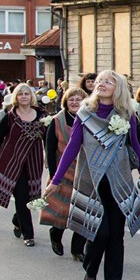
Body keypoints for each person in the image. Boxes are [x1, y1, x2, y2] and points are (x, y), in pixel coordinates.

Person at [44, 70, 140, 280]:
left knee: (115, 236)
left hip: (118, 181)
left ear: (117, 87)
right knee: (99, 233)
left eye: (108, 81)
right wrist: (56, 180)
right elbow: (72, 147)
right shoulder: (85, 113)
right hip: (91, 180)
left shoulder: (126, 114)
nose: (101, 84)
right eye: (100, 80)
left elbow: (136, 146)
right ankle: (90, 272)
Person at [0, 84, 46, 247]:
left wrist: (48, 156)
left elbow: (47, 137)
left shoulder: (41, 114)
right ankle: (29, 235)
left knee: (32, 197)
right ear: (16, 97)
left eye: (27, 94)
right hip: (14, 161)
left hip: (33, 160)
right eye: (21, 94)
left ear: (31, 96)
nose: (24, 97)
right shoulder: (9, 116)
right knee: (21, 196)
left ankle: (17, 219)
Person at [40, 87, 89, 260]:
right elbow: (50, 148)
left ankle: (77, 249)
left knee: (82, 212)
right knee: (61, 211)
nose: (75, 102)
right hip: (63, 172)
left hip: (84, 172)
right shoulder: (56, 121)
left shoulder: (90, 120)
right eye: (71, 99)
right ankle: (56, 235)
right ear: (65, 102)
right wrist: (55, 176)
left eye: (78, 99)